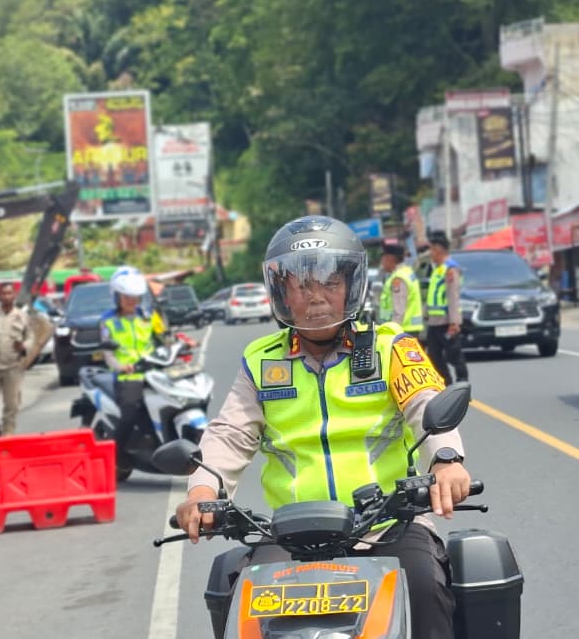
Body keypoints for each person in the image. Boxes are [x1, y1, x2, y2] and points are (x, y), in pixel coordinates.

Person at [174, 216, 471, 639]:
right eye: (301, 285)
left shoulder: (390, 346)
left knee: (425, 588)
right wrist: (202, 491)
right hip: (291, 534)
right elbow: (230, 433)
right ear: (282, 292)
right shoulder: (261, 361)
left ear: (352, 285)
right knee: (244, 606)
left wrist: (445, 460)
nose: (316, 297)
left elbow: (426, 404)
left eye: (330, 282)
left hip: (388, 524)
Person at [100, 267, 161, 457]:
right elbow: (108, 354)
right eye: (126, 297)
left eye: (135, 297)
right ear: (117, 296)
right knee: (130, 416)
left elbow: (164, 337)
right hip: (128, 377)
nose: (131, 301)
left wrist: (182, 343)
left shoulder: (150, 316)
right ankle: (114, 455)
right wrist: (122, 367)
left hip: (154, 373)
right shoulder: (108, 321)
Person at [423, 236, 469, 385]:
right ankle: (446, 384)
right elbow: (433, 295)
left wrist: (454, 322)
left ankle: (462, 382)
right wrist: (426, 314)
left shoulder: (450, 269)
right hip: (434, 322)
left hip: (446, 321)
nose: (430, 253)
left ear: (438, 250)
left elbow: (452, 296)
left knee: (454, 355)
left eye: (431, 250)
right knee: (433, 356)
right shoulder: (437, 269)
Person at [0, 281, 31, 436]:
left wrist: (24, 346)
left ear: (14, 295)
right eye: (3, 293)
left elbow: (31, 338)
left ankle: (8, 433)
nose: (6, 296)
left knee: (12, 404)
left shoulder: (22, 316)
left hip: (13, 367)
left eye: (9, 293)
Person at [379, 242, 425, 335]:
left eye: (383, 258)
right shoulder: (407, 272)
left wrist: (391, 332)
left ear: (389, 259)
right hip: (407, 329)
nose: (382, 262)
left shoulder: (398, 278)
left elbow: (399, 311)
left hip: (402, 331)